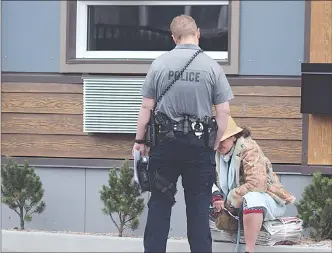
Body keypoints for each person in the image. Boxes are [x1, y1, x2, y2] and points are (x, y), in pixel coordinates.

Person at [132, 15, 234, 253]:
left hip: (165, 146)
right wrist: (214, 142)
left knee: (159, 206)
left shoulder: (159, 64)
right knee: (198, 211)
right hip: (199, 146)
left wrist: (139, 141)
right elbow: (224, 111)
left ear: (173, 37)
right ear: (197, 33)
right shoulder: (212, 66)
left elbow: (147, 107)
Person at [211, 116, 296, 253]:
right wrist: (217, 196)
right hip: (233, 204)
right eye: (216, 140)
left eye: (222, 140)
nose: (219, 144)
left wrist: (232, 197)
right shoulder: (216, 154)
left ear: (233, 137)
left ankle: (249, 250)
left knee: (251, 199)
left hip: (267, 197)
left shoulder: (249, 148)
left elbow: (258, 183)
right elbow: (210, 180)